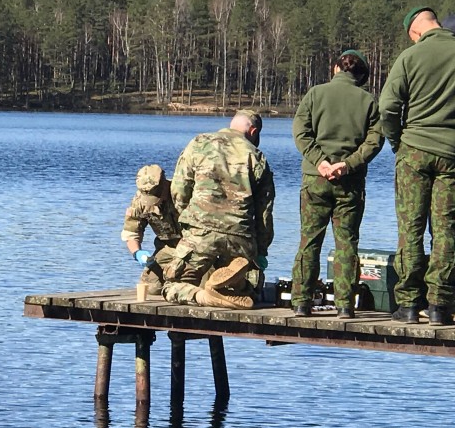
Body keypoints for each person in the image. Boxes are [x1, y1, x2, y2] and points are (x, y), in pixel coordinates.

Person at [290, 50, 384, 319]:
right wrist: (348, 164)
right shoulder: (368, 101)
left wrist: (320, 162)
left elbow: (301, 132)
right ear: (361, 76)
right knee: (346, 243)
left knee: (310, 241)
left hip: (315, 180)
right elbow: (375, 141)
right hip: (350, 184)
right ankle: (345, 305)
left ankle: (302, 303)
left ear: (335, 70)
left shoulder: (315, 94)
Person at [379, 7, 455, 326]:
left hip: (414, 151)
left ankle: (409, 305)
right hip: (451, 153)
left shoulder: (410, 57)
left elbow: (387, 108)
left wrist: (399, 143)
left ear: (414, 32)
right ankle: (440, 305)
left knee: (410, 229)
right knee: (446, 230)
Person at [161, 109, 275, 309]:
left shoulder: (199, 143)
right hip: (240, 235)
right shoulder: (256, 156)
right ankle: (234, 285)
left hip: (201, 231)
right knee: (250, 291)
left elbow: (179, 190)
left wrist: (189, 221)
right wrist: (260, 251)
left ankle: (203, 296)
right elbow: (264, 212)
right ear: (254, 131)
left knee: (171, 285)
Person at [122, 164, 182, 294]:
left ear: (165, 185)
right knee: (150, 288)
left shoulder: (182, 195)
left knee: (204, 287)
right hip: (167, 247)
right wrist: (138, 253)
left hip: (195, 248)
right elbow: (131, 233)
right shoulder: (139, 201)